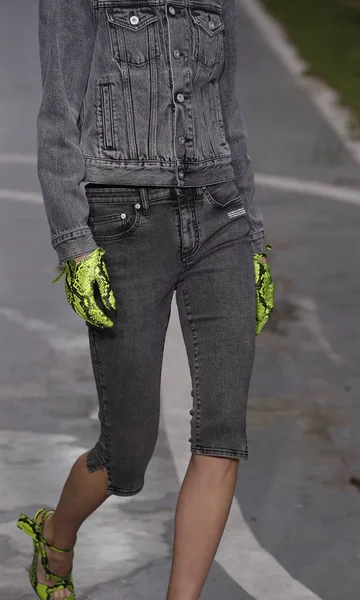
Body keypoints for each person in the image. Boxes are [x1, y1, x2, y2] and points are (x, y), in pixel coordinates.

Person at [16, 0, 274, 599]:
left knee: (221, 434)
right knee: (126, 452)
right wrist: (74, 242)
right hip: (124, 224)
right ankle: (56, 534)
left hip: (220, 217)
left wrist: (254, 235)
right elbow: (59, 115)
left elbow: (227, 112)